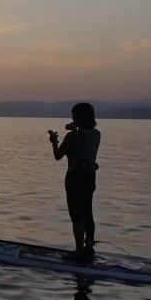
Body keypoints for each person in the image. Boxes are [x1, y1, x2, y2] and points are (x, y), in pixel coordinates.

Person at [48, 102, 101, 261]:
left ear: (78, 117)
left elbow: (58, 156)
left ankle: (78, 251)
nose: (71, 118)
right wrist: (74, 130)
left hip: (75, 178)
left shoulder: (73, 136)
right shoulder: (96, 133)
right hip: (90, 177)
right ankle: (89, 246)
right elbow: (83, 147)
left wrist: (54, 141)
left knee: (76, 214)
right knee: (87, 211)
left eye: (73, 115)